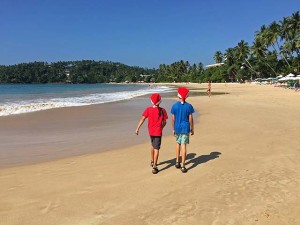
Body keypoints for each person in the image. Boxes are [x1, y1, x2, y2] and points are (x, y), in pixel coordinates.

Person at [135, 93, 168, 174]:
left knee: (152, 145)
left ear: (151, 101)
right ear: (160, 101)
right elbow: (165, 122)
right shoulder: (162, 110)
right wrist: (161, 127)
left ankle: (152, 160)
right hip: (158, 132)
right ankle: (155, 166)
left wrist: (137, 128)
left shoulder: (148, 109)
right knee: (156, 148)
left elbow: (143, 119)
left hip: (151, 131)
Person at [171, 87, 195, 173]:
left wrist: (173, 129)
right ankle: (183, 165)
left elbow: (173, 118)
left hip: (177, 128)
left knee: (178, 143)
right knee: (184, 145)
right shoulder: (189, 106)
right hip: (185, 128)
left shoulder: (174, 106)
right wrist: (192, 128)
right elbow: (190, 119)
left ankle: (177, 161)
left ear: (178, 96)